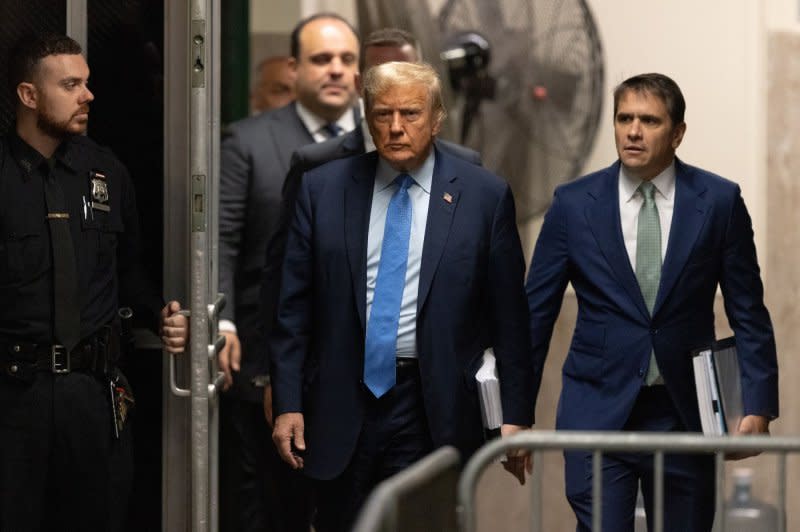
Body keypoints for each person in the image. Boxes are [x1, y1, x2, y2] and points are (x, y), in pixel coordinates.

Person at [270, 61, 535, 532]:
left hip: (432, 404)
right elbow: (293, 309)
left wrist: (515, 415)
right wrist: (288, 401)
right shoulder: (323, 189)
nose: (395, 127)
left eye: (410, 114)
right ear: (367, 118)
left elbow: (510, 316)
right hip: (340, 399)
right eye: (383, 114)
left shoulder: (483, 196)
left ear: (436, 119)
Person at [525, 73, 778, 531]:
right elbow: (536, 317)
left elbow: (749, 312)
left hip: (682, 412)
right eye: (624, 118)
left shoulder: (719, 201)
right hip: (596, 409)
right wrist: (516, 414)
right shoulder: (572, 204)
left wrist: (758, 405)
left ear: (678, 133)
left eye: (649, 120)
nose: (633, 131)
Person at [0, 33, 187, 532]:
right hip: (15, 396)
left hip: (94, 391)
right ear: (28, 95)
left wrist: (159, 315)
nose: (88, 95)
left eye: (87, 83)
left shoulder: (105, 170)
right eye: (70, 84)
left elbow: (128, 272)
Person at [259, 28, 482, 425]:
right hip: (337, 388)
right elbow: (287, 287)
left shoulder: (466, 173)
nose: (392, 87)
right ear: (363, 89)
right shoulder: (317, 167)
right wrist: (282, 382)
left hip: (432, 393)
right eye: (380, 76)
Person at [217, 12, 360, 532]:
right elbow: (223, 241)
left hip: (351, 362)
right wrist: (224, 321)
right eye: (322, 59)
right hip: (266, 354)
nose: (337, 71)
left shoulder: (383, 138)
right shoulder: (249, 141)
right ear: (296, 69)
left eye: (347, 60)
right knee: (272, 505)